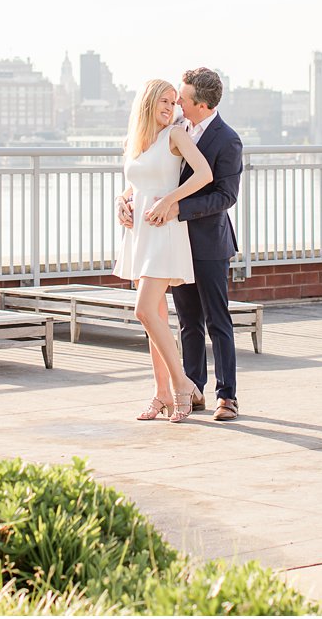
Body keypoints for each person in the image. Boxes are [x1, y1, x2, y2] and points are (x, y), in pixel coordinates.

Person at [119, 67, 243, 421]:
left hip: (206, 239)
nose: (178, 105)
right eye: (174, 99)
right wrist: (123, 200)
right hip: (167, 236)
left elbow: (225, 195)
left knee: (217, 319)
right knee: (188, 320)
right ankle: (193, 389)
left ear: (201, 105)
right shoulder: (169, 126)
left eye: (183, 100)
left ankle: (227, 396)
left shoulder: (227, 140)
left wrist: (175, 206)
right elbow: (146, 174)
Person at [112, 78, 213, 423]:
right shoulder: (135, 141)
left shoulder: (176, 135)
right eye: (164, 102)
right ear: (148, 103)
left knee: (145, 311)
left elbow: (203, 174)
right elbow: (134, 182)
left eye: (174, 102)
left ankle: (183, 385)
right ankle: (162, 394)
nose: (171, 109)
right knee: (154, 318)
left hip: (164, 230)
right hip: (140, 232)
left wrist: (171, 200)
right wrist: (121, 201)